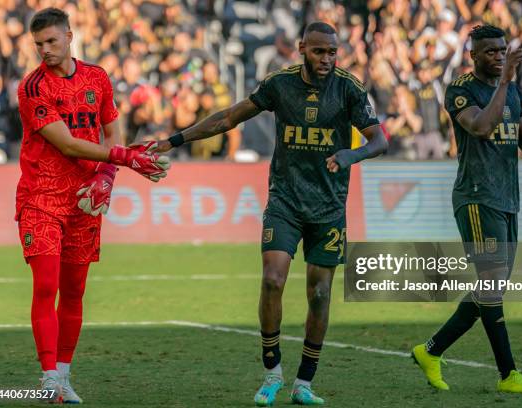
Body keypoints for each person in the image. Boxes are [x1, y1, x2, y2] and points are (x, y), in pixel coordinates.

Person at [153, 21, 387, 406]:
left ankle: (304, 383)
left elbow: (379, 139)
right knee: (273, 280)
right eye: (318, 51)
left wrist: (352, 153)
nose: (326, 59)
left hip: (329, 207)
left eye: (332, 52)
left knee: (320, 293)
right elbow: (229, 117)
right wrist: (173, 140)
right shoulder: (280, 84)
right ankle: (272, 372)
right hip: (285, 201)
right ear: (301, 48)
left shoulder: (350, 88)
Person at [16, 8, 170, 403]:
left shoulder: (97, 77)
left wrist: (106, 175)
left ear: (69, 36)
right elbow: (66, 143)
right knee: (46, 284)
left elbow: (111, 126)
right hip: (42, 197)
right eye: (39, 45)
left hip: (85, 198)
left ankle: (65, 377)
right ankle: (48, 377)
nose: (45, 51)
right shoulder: (32, 88)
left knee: (74, 291)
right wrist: (126, 158)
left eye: (51, 41)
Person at [411, 25, 522, 393]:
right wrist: (505, 83)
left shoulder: (511, 90)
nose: (498, 56)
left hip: (507, 199)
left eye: (502, 50)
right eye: (491, 52)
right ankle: (508, 374)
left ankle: (430, 351)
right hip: (477, 197)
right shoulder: (461, 90)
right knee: (492, 283)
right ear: (474, 55)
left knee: (490, 285)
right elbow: (481, 127)